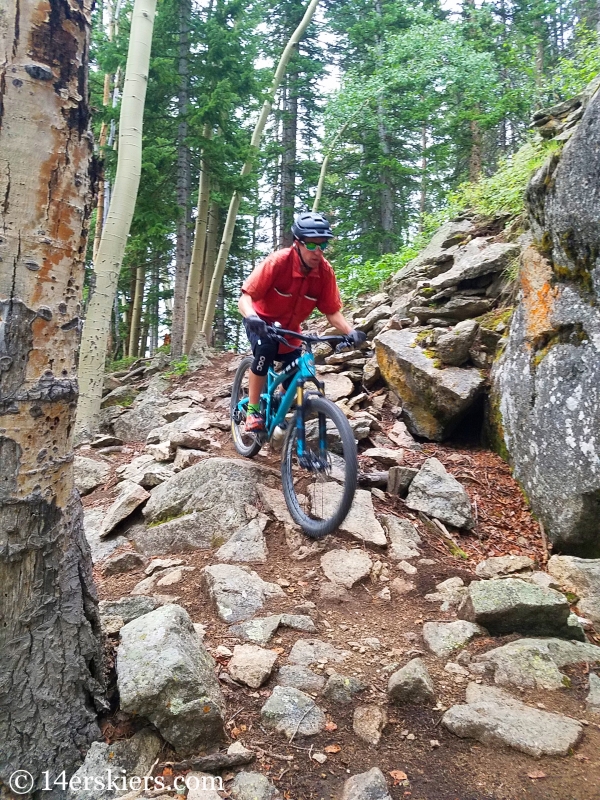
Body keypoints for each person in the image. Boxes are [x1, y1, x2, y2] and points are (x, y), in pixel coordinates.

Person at [238, 211, 366, 432]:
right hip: (262, 323)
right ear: (298, 243)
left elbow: (332, 312)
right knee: (265, 351)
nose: (318, 252)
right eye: (312, 245)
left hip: (291, 332)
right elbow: (245, 297)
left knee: (294, 381)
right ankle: (253, 411)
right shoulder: (278, 262)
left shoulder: (325, 273)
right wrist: (252, 317)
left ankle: (280, 414)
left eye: (322, 246)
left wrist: (351, 331)